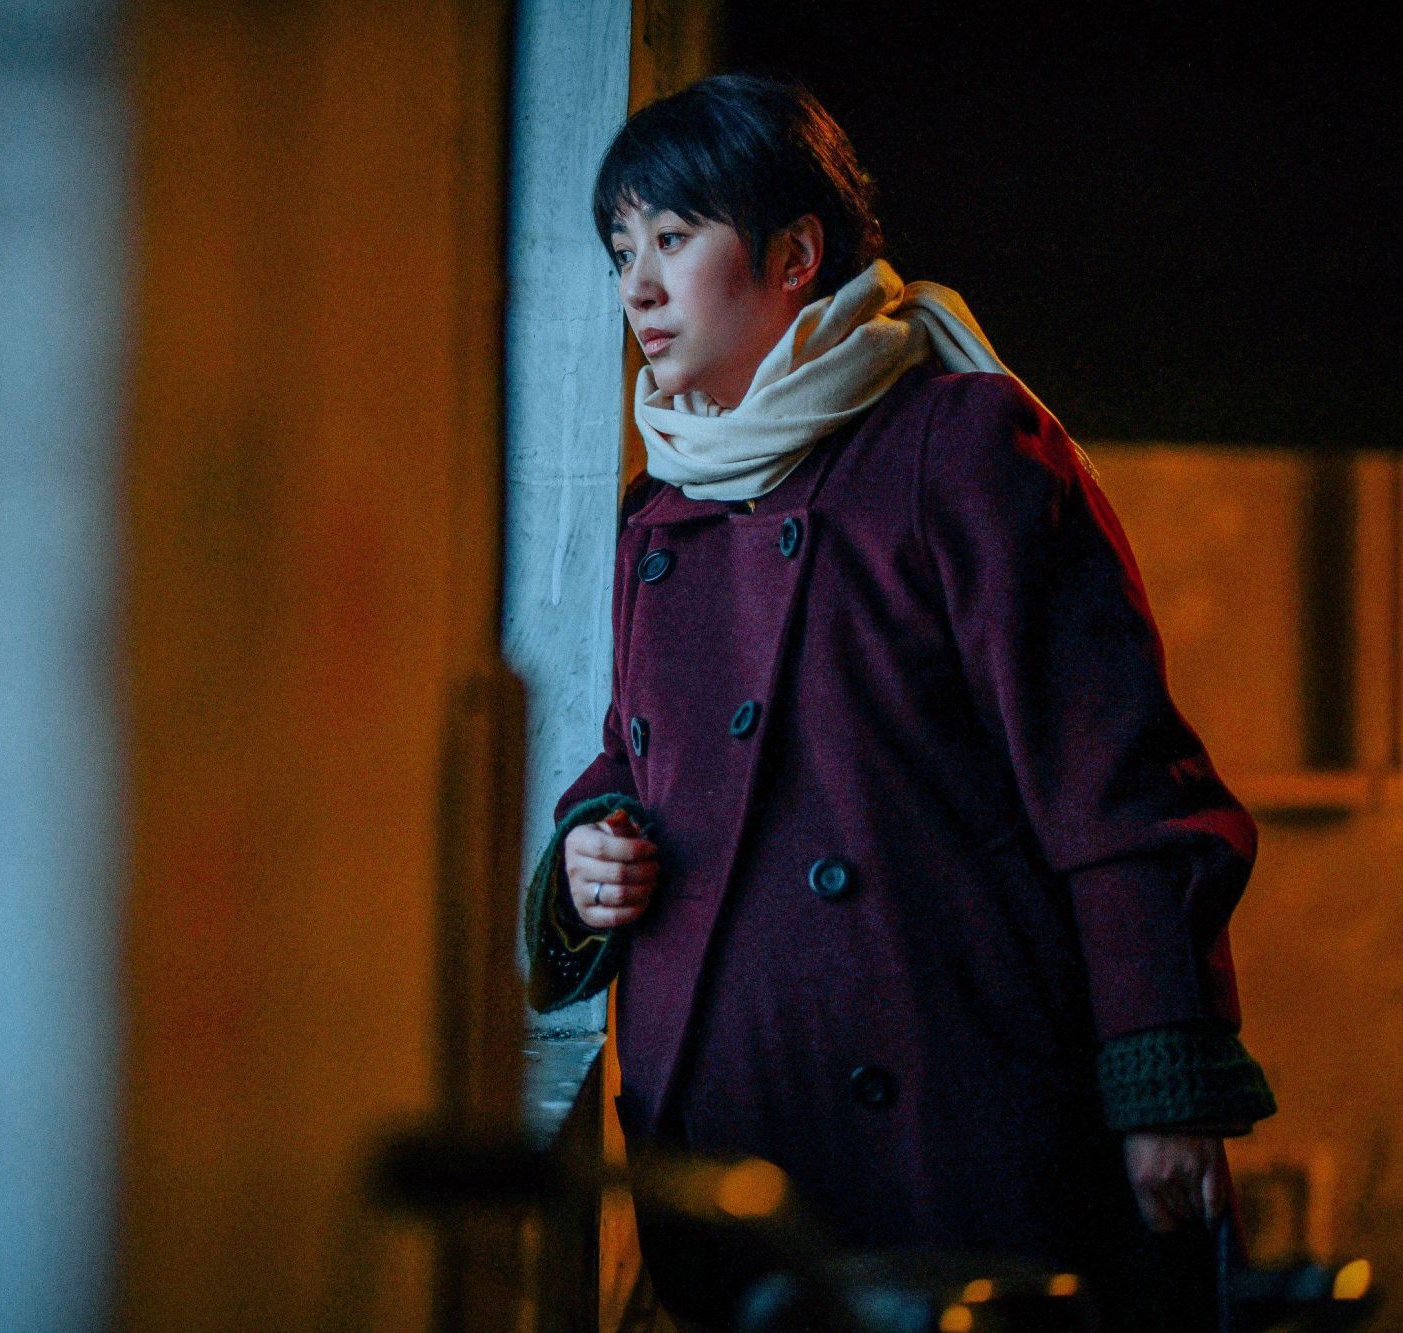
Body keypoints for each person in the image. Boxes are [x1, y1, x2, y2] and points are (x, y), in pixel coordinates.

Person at [522, 73, 1276, 1330]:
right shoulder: (660, 510)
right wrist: (589, 846)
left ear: (792, 255)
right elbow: (635, 759)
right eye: (619, 251)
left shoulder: (957, 446)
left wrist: (1162, 1085)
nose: (636, 288)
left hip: (953, 1124)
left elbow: (1115, 781)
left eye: (671, 238)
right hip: (728, 1150)